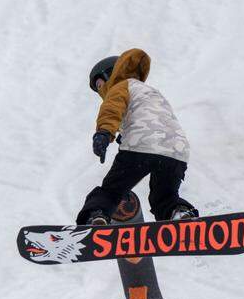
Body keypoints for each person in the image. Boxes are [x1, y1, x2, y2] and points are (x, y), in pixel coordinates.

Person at [76, 48, 198, 225]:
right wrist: (124, 135)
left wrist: (103, 133)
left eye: (100, 85)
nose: (101, 91)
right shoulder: (149, 91)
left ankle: (96, 217)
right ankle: (179, 213)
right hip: (176, 151)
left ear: (111, 74)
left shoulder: (120, 86)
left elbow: (111, 110)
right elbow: (154, 118)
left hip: (141, 146)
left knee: (110, 192)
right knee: (164, 196)